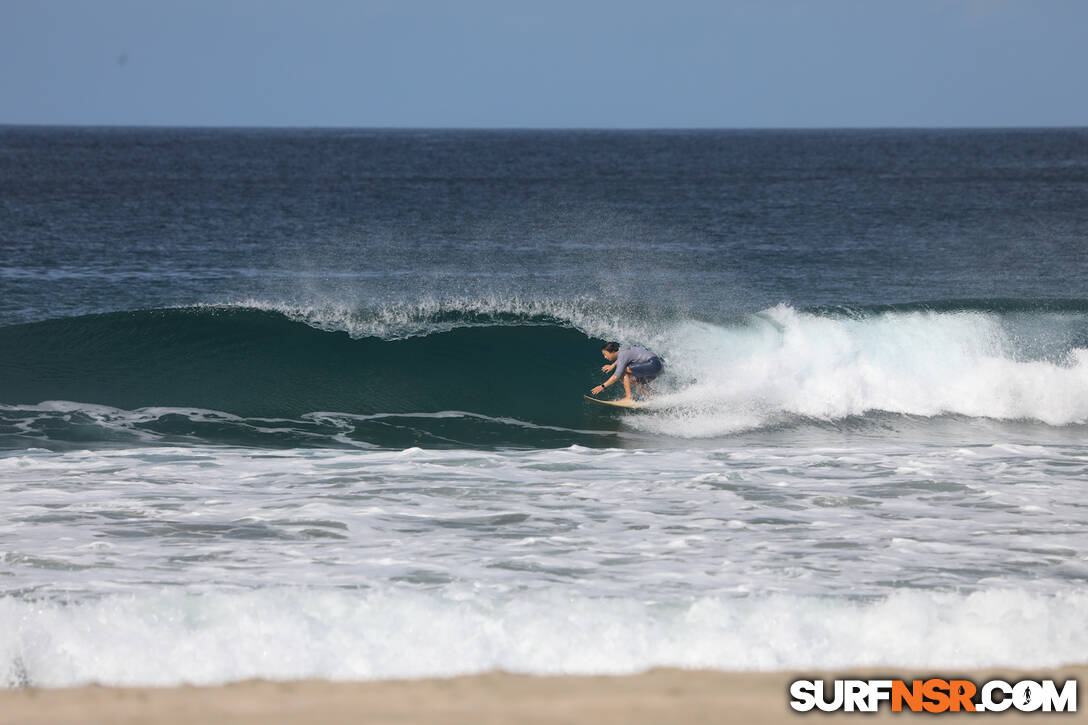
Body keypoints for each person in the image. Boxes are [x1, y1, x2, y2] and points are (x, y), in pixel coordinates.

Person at [590, 342, 663, 402]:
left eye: (605, 354)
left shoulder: (622, 354)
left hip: (653, 364)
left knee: (623, 372)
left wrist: (602, 386)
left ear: (612, 352)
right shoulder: (622, 349)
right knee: (632, 379)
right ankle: (649, 396)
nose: (605, 357)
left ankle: (628, 398)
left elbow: (616, 376)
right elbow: (623, 358)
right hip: (656, 364)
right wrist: (612, 365)